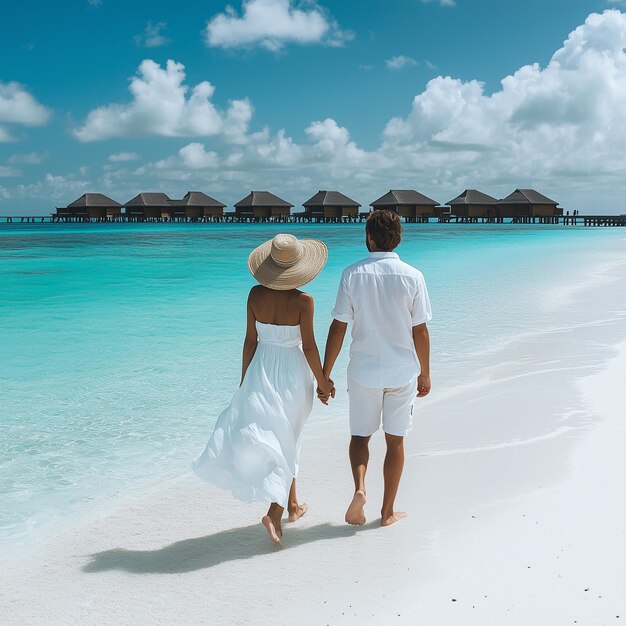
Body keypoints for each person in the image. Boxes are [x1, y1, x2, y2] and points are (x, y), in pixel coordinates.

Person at [193, 234, 333, 546]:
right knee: (289, 439)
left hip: (261, 369)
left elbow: (249, 341)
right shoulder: (304, 302)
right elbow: (309, 346)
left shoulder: (255, 295)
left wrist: (245, 382)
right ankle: (275, 512)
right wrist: (323, 382)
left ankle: (294, 506)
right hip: (294, 374)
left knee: (282, 438)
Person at [319, 210, 432, 527]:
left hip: (363, 372)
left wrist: (325, 374)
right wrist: (425, 372)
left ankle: (360, 488)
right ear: (398, 238)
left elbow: (338, 326)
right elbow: (419, 330)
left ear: (368, 237)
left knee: (359, 437)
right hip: (401, 372)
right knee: (395, 442)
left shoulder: (351, 274)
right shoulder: (413, 276)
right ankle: (387, 512)